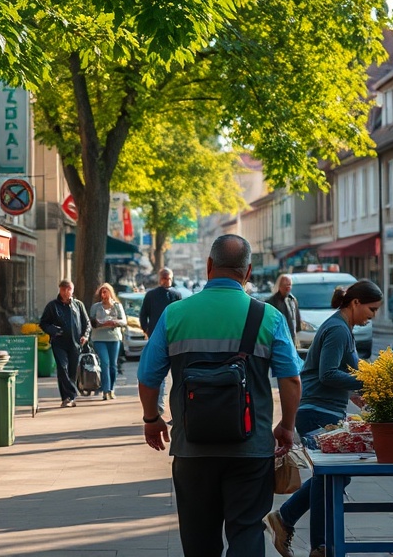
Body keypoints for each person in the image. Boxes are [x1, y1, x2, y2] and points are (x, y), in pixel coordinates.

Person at [138, 234, 302, 557]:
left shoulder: (175, 314)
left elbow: (147, 376)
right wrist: (286, 425)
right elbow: (292, 380)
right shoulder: (268, 317)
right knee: (247, 531)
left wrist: (151, 418)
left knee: (199, 537)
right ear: (249, 271)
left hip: (192, 449)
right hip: (251, 450)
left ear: (210, 265)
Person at [265, 279, 383, 557]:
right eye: (372, 309)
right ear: (355, 303)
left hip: (324, 410)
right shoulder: (338, 329)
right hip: (316, 412)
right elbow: (327, 374)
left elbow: (333, 373)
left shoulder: (342, 327)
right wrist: (367, 380)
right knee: (329, 476)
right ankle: (317, 544)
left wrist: (355, 394)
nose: (373, 316)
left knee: (332, 476)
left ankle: (287, 521)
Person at [39, 279, 91, 408]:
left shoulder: (78, 305)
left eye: (69, 290)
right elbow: (43, 323)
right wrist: (54, 331)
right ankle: (72, 392)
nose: (66, 292)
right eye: (63, 289)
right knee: (62, 368)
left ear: (72, 291)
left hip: (75, 343)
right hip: (59, 343)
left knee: (72, 371)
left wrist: (85, 336)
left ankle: (68, 398)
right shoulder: (53, 306)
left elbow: (87, 323)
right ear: (60, 290)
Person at [139, 267, 180, 415]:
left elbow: (179, 316)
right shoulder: (151, 295)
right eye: (163, 277)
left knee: (175, 374)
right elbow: (143, 314)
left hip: (174, 338)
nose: (166, 280)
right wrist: (147, 330)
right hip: (157, 338)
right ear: (159, 278)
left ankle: (168, 407)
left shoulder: (176, 295)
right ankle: (159, 405)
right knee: (159, 372)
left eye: (168, 278)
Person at [90, 282, 127, 400]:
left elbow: (124, 321)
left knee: (113, 365)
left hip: (114, 338)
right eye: (102, 292)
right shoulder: (96, 307)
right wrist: (99, 324)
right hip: (99, 338)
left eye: (106, 291)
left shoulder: (117, 306)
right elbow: (91, 322)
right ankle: (105, 390)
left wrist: (115, 322)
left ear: (111, 293)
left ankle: (111, 389)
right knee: (104, 363)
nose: (104, 294)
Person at [267, 274, 302, 349]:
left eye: (289, 285)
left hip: (292, 341)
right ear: (279, 286)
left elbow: (297, 322)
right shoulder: (272, 302)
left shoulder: (292, 300)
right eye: (285, 285)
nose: (287, 287)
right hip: (278, 342)